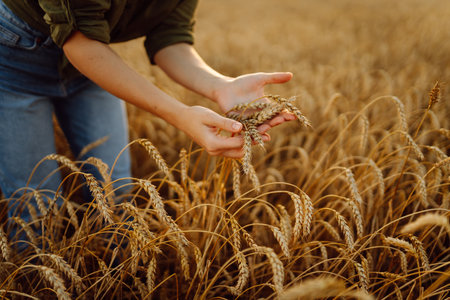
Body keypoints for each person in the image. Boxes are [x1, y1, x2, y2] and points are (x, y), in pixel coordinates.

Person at [0, 0, 295, 211]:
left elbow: (170, 37)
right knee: (36, 204)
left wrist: (221, 86)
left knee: (115, 190)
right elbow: (80, 43)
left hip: (97, 63)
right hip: (15, 61)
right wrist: (180, 115)